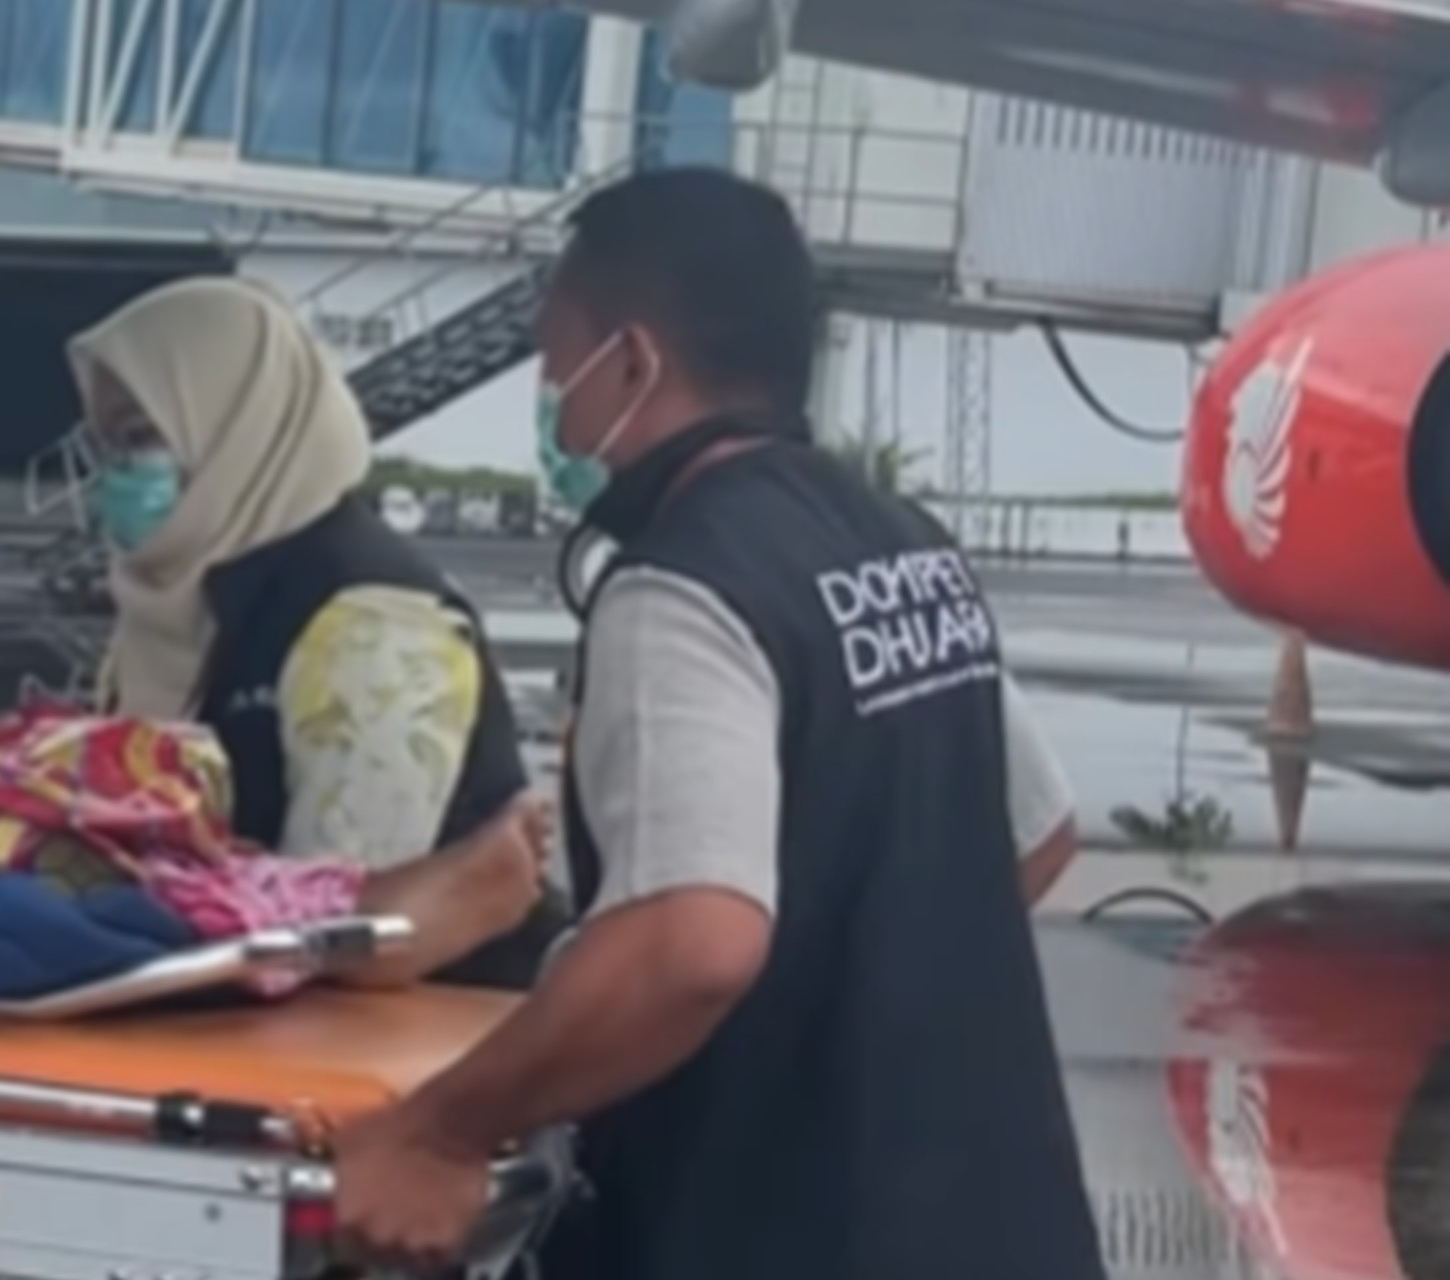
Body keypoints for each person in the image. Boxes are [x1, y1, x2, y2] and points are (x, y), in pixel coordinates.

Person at [326, 169, 1099, 1280]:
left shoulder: (683, 587)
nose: (552, 405)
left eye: (555, 366)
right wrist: (842, 1013)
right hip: (996, 1226)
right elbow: (1035, 835)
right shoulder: (898, 543)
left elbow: (690, 943)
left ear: (632, 364)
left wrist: (440, 1130)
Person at [67, 275, 570, 988]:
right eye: (110, 445)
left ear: (238, 427)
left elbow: (324, 934)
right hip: (224, 1021)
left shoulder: (374, 625)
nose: (118, 472)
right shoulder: (177, 609)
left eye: (143, 437)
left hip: (425, 1032)